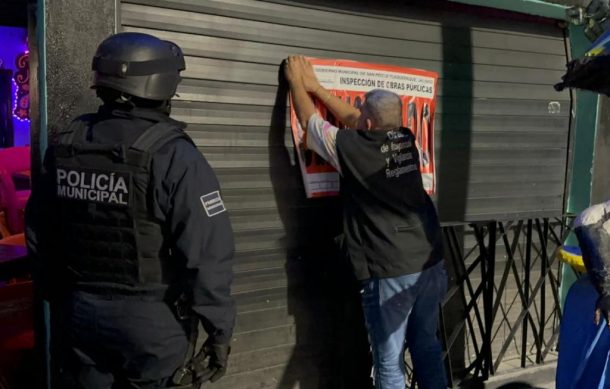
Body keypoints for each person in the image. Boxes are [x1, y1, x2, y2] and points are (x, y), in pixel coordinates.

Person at [25, 32, 235, 388]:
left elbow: (39, 231)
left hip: (78, 314)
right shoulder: (174, 155)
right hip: (151, 321)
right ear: (161, 85)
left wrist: (63, 297)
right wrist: (219, 331)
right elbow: (207, 253)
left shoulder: (69, 144)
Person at [284, 55, 448, 389]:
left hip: (390, 270)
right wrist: (317, 86)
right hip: (430, 264)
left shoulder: (351, 148)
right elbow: (355, 117)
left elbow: (309, 121)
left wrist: (297, 84)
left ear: (368, 124)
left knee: (388, 361)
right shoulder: (406, 139)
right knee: (426, 344)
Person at [557, 199, 610, 389]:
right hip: (594, 300)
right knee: (589, 365)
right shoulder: (601, 214)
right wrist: (606, 290)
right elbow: (588, 220)